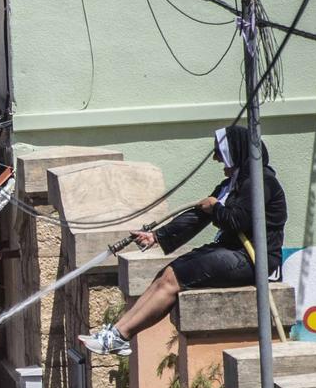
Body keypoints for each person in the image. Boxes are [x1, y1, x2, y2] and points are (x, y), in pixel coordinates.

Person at [81, 125, 288, 356]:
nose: (215, 158)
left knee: (173, 278)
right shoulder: (235, 183)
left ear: (236, 150)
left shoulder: (262, 183)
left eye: (219, 152)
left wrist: (215, 208)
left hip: (253, 260)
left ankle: (121, 336)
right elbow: (198, 215)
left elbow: (237, 220)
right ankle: (115, 333)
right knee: (166, 273)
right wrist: (157, 236)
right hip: (233, 251)